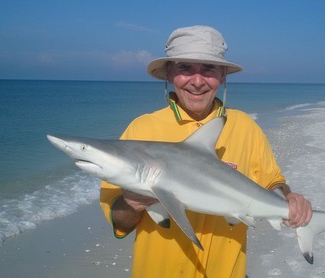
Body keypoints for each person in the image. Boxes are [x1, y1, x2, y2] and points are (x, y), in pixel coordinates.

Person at [100, 25, 312, 277]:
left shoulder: (245, 127)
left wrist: (289, 200)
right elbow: (119, 223)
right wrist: (132, 203)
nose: (197, 81)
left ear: (222, 75)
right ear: (169, 74)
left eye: (209, 69)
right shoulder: (141, 130)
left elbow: (272, 181)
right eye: (185, 68)